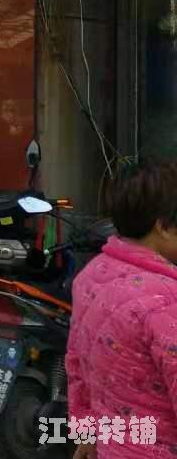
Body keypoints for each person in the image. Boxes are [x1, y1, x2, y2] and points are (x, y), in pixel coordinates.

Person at [68, 158, 177, 458]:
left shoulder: (91, 276)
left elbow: (77, 365)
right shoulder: (167, 301)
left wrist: (87, 434)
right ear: (162, 227)